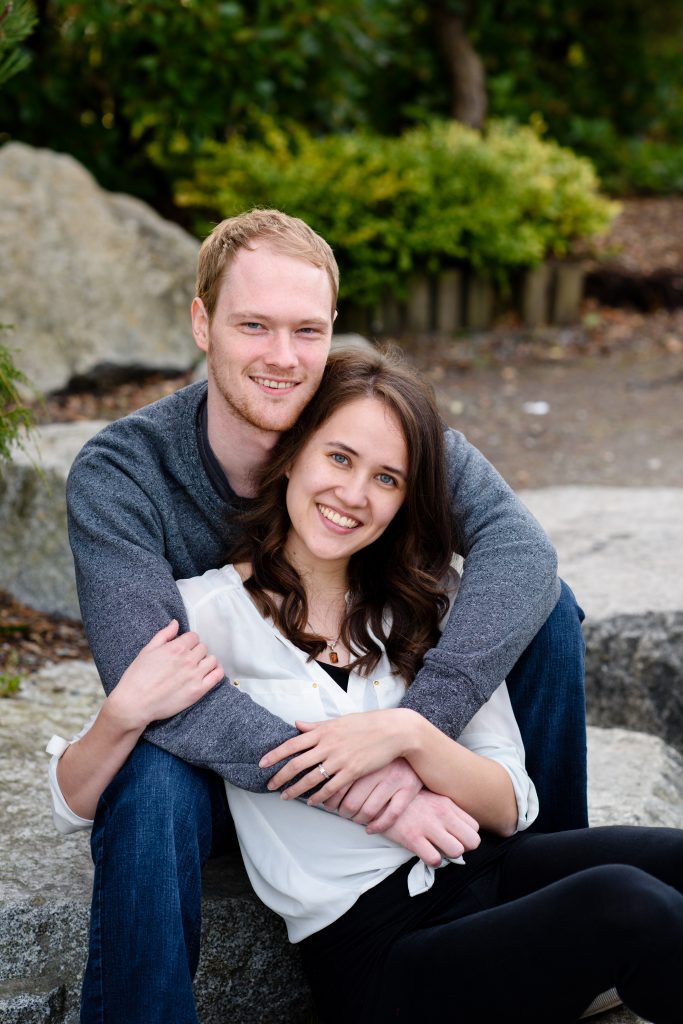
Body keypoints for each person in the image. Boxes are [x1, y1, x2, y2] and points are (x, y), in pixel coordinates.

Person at [52, 349, 683, 1024]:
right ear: (290, 457)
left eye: (386, 477)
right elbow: (85, 796)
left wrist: (407, 734)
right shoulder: (203, 614)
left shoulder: (430, 606)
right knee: (624, 905)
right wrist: (121, 714)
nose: (353, 495)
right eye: (338, 458)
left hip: (488, 872)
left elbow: (507, 806)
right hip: (381, 945)